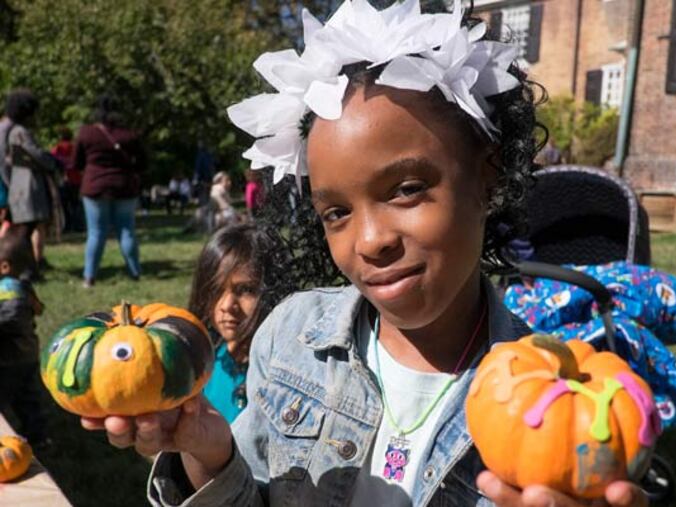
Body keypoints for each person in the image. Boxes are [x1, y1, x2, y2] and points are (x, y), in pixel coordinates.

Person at [81, 1, 646, 506]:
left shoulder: (554, 406)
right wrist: (208, 455)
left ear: (487, 175)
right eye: (336, 213)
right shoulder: (292, 336)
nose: (372, 239)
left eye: (406, 189)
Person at [188, 224, 281, 423]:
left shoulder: (282, 375)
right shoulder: (204, 363)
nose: (227, 305)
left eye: (246, 290)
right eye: (216, 290)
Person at [73, 94, 146, 288]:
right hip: (124, 187)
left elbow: (76, 162)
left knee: (96, 233)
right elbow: (143, 162)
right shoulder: (129, 135)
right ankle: (135, 272)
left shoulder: (86, 133)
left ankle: (89, 277)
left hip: (95, 187)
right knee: (127, 231)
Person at [0, 89, 58, 276]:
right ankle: (29, 267)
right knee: (28, 230)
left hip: (18, 186)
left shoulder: (8, 128)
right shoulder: (19, 132)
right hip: (26, 188)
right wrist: (51, 161)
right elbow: (34, 154)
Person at [0, 231, 49, 448]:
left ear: (5, 266)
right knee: (28, 397)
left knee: (10, 394)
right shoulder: (24, 286)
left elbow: (11, 321)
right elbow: (39, 309)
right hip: (29, 353)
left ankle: (28, 436)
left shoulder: (8, 291)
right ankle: (39, 436)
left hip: (11, 356)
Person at [52, 126, 84, 232]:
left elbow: (52, 163)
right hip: (76, 179)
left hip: (63, 180)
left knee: (65, 205)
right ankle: (79, 225)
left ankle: (67, 226)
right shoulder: (75, 147)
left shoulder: (57, 149)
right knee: (76, 204)